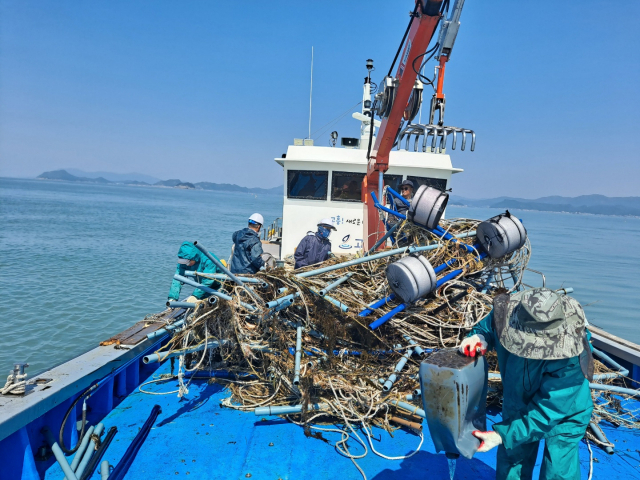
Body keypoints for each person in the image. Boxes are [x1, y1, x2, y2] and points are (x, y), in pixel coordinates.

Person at [459, 288, 594, 480]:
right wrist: (478, 337)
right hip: (517, 400)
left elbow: (547, 413)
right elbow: (488, 327)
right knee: (512, 459)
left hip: (565, 411)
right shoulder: (509, 312)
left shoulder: (574, 355)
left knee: (558, 470)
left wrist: (500, 436)